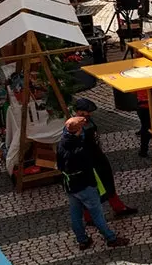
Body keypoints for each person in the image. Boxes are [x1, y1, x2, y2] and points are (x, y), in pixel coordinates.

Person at [58, 115, 127, 250]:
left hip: (70, 185)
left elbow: (60, 165)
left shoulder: (61, 143)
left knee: (75, 214)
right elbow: (88, 164)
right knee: (97, 214)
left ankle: (82, 240)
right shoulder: (81, 148)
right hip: (84, 185)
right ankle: (110, 238)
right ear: (78, 131)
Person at [72, 97, 138, 217]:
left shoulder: (88, 120)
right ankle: (89, 215)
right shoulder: (75, 125)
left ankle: (118, 207)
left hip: (98, 156)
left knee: (108, 182)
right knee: (92, 187)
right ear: (80, 111)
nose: (89, 114)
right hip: (88, 160)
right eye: (87, 112)